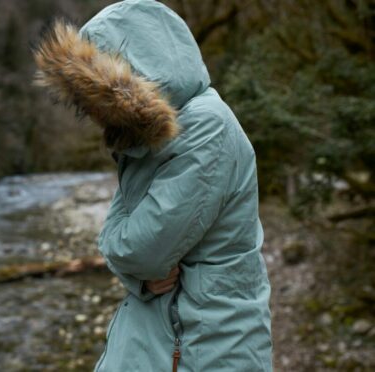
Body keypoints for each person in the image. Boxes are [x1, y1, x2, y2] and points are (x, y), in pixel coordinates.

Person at [33, 0, 273, 370]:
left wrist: (121, 257)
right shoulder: (150, 139)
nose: (95, 114)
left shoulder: (207, 127)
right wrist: (137, 276)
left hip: (203, 346)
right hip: (166, 333)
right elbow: (134, 245)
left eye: (99, 97)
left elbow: (144, 251)